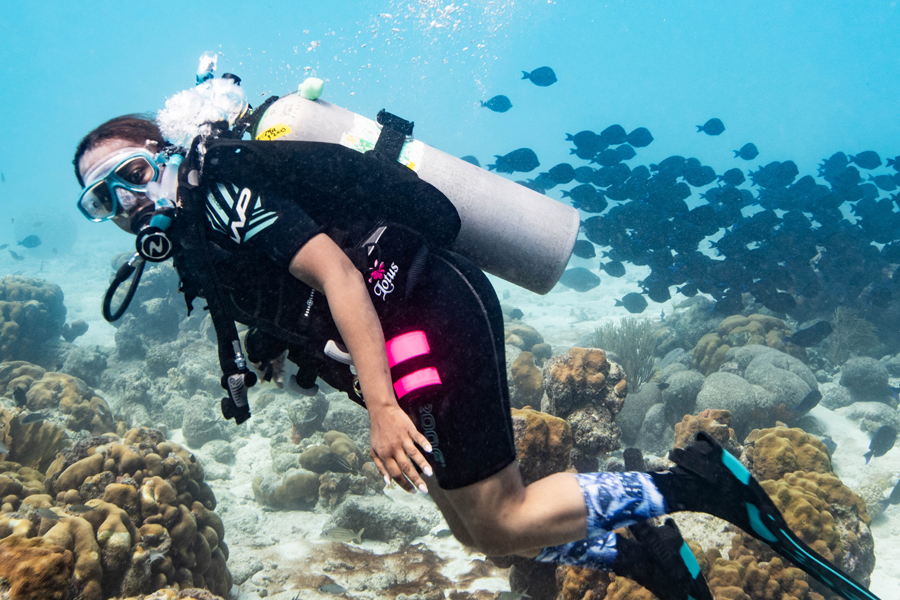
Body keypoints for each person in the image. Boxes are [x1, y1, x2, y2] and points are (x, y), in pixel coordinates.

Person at [74, 113, 881, 600]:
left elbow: (340, 276)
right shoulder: (194, 237)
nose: (126, 203)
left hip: (429, 310)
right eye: (101, 198)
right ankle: (648, 557)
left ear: (168, 151)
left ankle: (696, 484)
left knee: (503, 515)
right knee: (478, 534)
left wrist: (384, 410)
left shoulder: (222, 195)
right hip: (401, 338)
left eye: (133, 174)